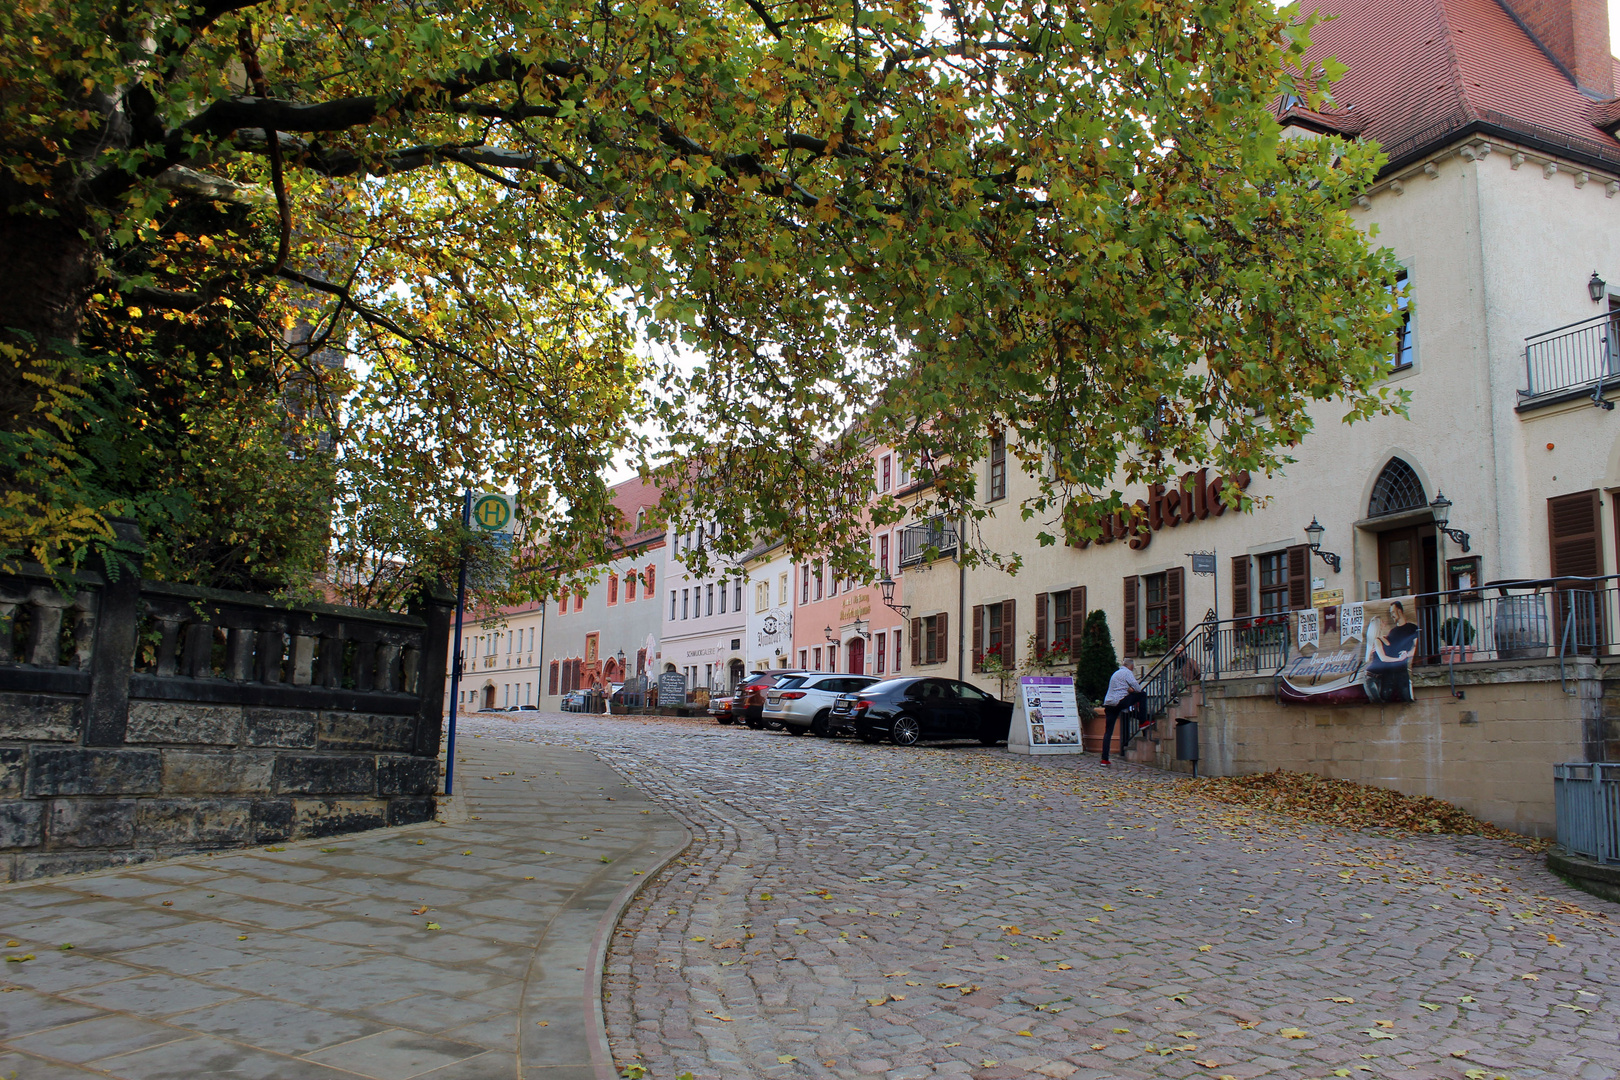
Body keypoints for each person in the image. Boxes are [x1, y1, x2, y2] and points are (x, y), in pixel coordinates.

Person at [1100, 659, 1146, 766]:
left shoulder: (1116, 673)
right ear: (1131, 666)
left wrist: (1128, 690)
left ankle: (1104, 759)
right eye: (1133, 667)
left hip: (1109, 703)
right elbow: (1137, 688)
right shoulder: (1127, 673)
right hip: (1119, 702)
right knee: (1142, 695)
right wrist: (1132, 691)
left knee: (1108, 732)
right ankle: (1143, 721)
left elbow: (1119, 688)